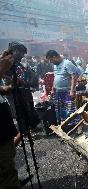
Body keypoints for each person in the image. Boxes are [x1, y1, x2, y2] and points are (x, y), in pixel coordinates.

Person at [0, 50, 21, 189]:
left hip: (4, 127)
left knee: (8, 158)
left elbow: (2, 89)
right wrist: (1, 68)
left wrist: (9, 87)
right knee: (6, 169)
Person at [46, 50, 79, 124]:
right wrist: (52, 89)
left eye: (51, 60)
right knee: (61, 109)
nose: (51, 62)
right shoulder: (55, 65)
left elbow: (74, 76)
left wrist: (72, 90)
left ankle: (76, 125)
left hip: (67, 91)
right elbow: (55, 77)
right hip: (58, 91)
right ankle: (64, 124)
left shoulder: (67, 63)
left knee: (70, 109)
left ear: (54, 57)